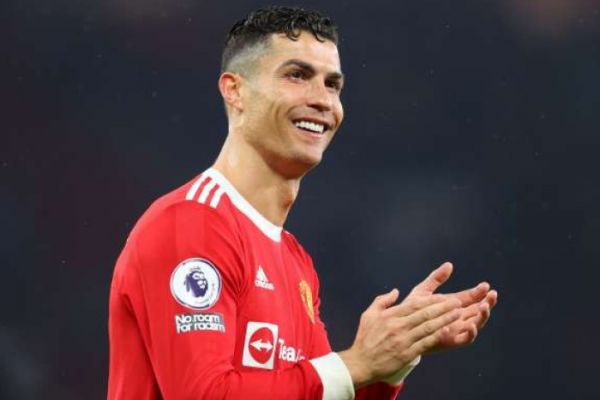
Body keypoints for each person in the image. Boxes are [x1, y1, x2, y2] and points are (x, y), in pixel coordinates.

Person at [107, 6, 498, 400]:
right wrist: (358, 363)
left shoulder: (295, 262)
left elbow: (317, 389)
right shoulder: (191, 224)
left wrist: (393, 357)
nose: (322, 100)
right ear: (234, 90)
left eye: (333, 85)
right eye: (297, 75)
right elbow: (204, 395)